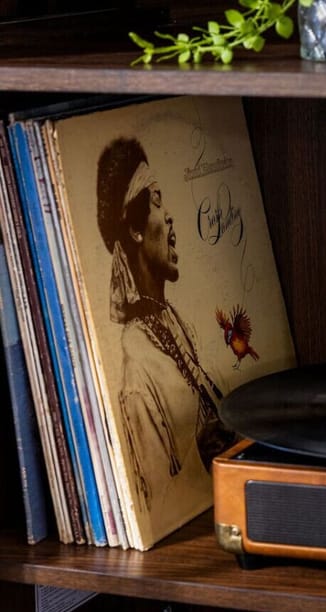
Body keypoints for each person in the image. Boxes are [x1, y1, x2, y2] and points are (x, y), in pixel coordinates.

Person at [96, 137, 233, 528]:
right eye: (157, 201)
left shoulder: (175, 324)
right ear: (136, 229)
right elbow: (160, 505)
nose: (170, 215)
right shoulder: (138, 365)